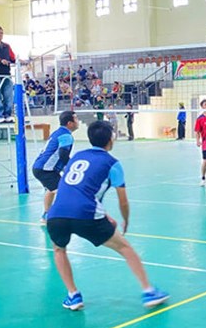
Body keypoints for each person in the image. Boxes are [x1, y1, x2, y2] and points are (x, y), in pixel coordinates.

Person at [46, 120, 169, 310]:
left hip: (56, 214)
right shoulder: (112, 163)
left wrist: (103, 214)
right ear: (111, 139)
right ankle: (149, 291)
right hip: (86, 214)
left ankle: (73, 295)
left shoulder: (77, 156)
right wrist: (125, 219)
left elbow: (78, 188)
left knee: (59, 250)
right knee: (125, 248)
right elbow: (123, 201)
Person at [33, 111, 79, 223]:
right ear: (70, 123)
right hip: (46, 170)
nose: (78, 121)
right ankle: (60, 217)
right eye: (76, 119)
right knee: (64, 192)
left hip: (41, 168)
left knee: (51, 190)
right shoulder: (66, 136)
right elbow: (63, 154)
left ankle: (46, 215)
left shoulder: (57, 133)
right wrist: (70, 168)